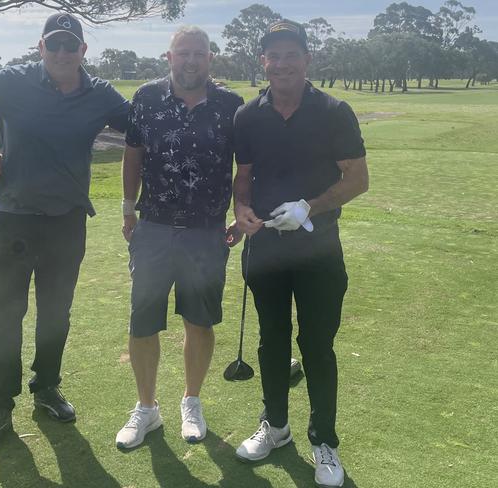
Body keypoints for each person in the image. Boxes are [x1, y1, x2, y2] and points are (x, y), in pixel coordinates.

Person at [0, 12, 129, 452]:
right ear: (40, 48)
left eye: (71, 46)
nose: (62, 53)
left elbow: (143, 127)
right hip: (14, 219)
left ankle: (46, 389)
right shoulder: (13, 80)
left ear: (83, 51)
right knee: (5, 316)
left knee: (55, 314)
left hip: (67, 221)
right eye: (54, 45)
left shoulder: (99, 93)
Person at [231, 19, 369, 487]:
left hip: (319, 250)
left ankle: (324, 441)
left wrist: (310, 205)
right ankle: (276, 426)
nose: (283, 62)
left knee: (316, 345)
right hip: (266, 249)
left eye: (292, 54)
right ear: (263, 62)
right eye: (275, 55)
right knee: (271, 342)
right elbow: (243, 177)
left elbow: (357, 179)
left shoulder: (334, 111)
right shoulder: (248, 116)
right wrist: (243, 209)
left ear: (307, 60)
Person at [114, 26, 244, 449]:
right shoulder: (146, 99)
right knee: (144, 319)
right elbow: (133, 155)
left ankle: (192, 400)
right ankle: (146, 408)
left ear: (210, 58)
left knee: (199, 320)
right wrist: (128, 208)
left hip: (207, 231)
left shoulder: (231, 105)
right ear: (169, 57)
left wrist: (241, 211)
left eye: (199, 53)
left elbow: (246, 166)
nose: (191, 60)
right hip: (153, 227)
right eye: (183, 53)